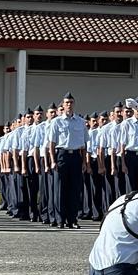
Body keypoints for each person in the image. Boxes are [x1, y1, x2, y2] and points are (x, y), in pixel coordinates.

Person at [49, 92, 90, 228]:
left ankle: (72, 219)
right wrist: (53, 160)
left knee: (74, 189)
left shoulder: (81, 122)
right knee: (60, 189)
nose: (69, 105)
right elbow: (52, 144)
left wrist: (84, 162)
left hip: (75, 157)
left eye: (71, 102)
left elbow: (84, 144)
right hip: (62, 155)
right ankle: (60, 219)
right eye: (67, 103)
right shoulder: (56, 122)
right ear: (63, 104)